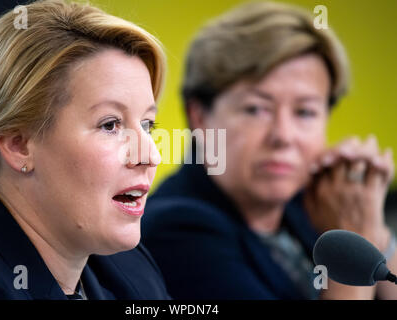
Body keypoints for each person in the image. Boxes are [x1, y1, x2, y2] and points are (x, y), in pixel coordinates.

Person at [142, 1, 396, 299]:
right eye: (256, 109)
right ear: (199, 116)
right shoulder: (175, 231)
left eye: (305, 112)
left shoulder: (311, 203)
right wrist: (356, 239)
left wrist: (372, 225)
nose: (283, 136)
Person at [0, 0, 170, 300]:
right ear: (18, 143)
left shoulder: (130, 267)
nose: (150, 156)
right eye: (110, 125)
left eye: (147, 125)